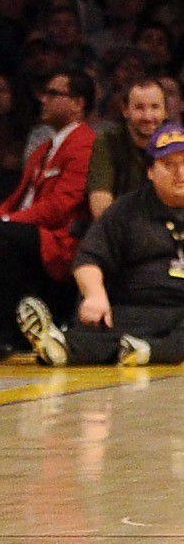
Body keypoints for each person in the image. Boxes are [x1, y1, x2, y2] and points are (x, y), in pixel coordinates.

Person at [17, 122, 184, 367]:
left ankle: (148, 351)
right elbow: (89, 257)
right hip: (135, 308)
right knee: (102, 327)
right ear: (150, 171)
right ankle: (61, 347)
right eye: (169, 165)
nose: (180, 173)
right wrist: (95, 295)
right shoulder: (125, 210)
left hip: (180, 309)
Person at [0, 70, 96, 343]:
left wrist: (4, 222)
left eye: (53, 94)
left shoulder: (85, 144)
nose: (43, 99)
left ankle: (3, 330)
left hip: (59, 239)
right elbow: (17, 197)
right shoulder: (45, 148)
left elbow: (61, 205)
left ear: (78, 103)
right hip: (32, 229)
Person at [86, 77, 167, 219]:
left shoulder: (177, 143)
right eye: (139, 108)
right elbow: (100, 208)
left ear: (165, 112)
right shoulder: (108, 142)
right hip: (119, 228)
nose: (147, 117)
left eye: (155, 107)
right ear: (125, 110)